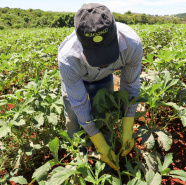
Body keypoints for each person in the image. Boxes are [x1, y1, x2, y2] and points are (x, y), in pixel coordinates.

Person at [58, 3, 143, 171]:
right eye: (96, 55)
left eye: (107, 53)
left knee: (105, 118)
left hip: (104, 79)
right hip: (77, 78)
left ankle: (108, 164)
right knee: (74, 121)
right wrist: (97, 142)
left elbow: (131, 87)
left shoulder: (132, 44)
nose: (103, 63)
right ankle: (79, 161)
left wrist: (128, 124)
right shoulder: (68, 58)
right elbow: (80, 104)